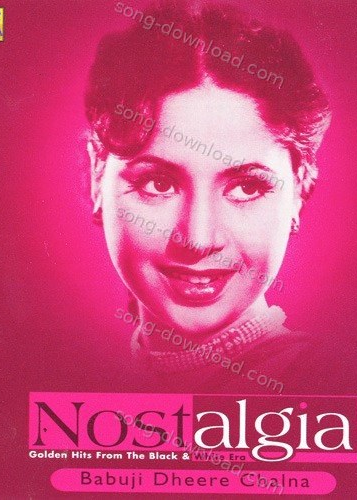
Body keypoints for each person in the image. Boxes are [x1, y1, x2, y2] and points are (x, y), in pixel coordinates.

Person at [85, 1, 331, 392]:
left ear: (299, 189)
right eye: (158, 184)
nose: (198, 240)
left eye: (247, 188)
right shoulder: (79, 382)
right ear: (97, 175)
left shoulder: (329, 388)